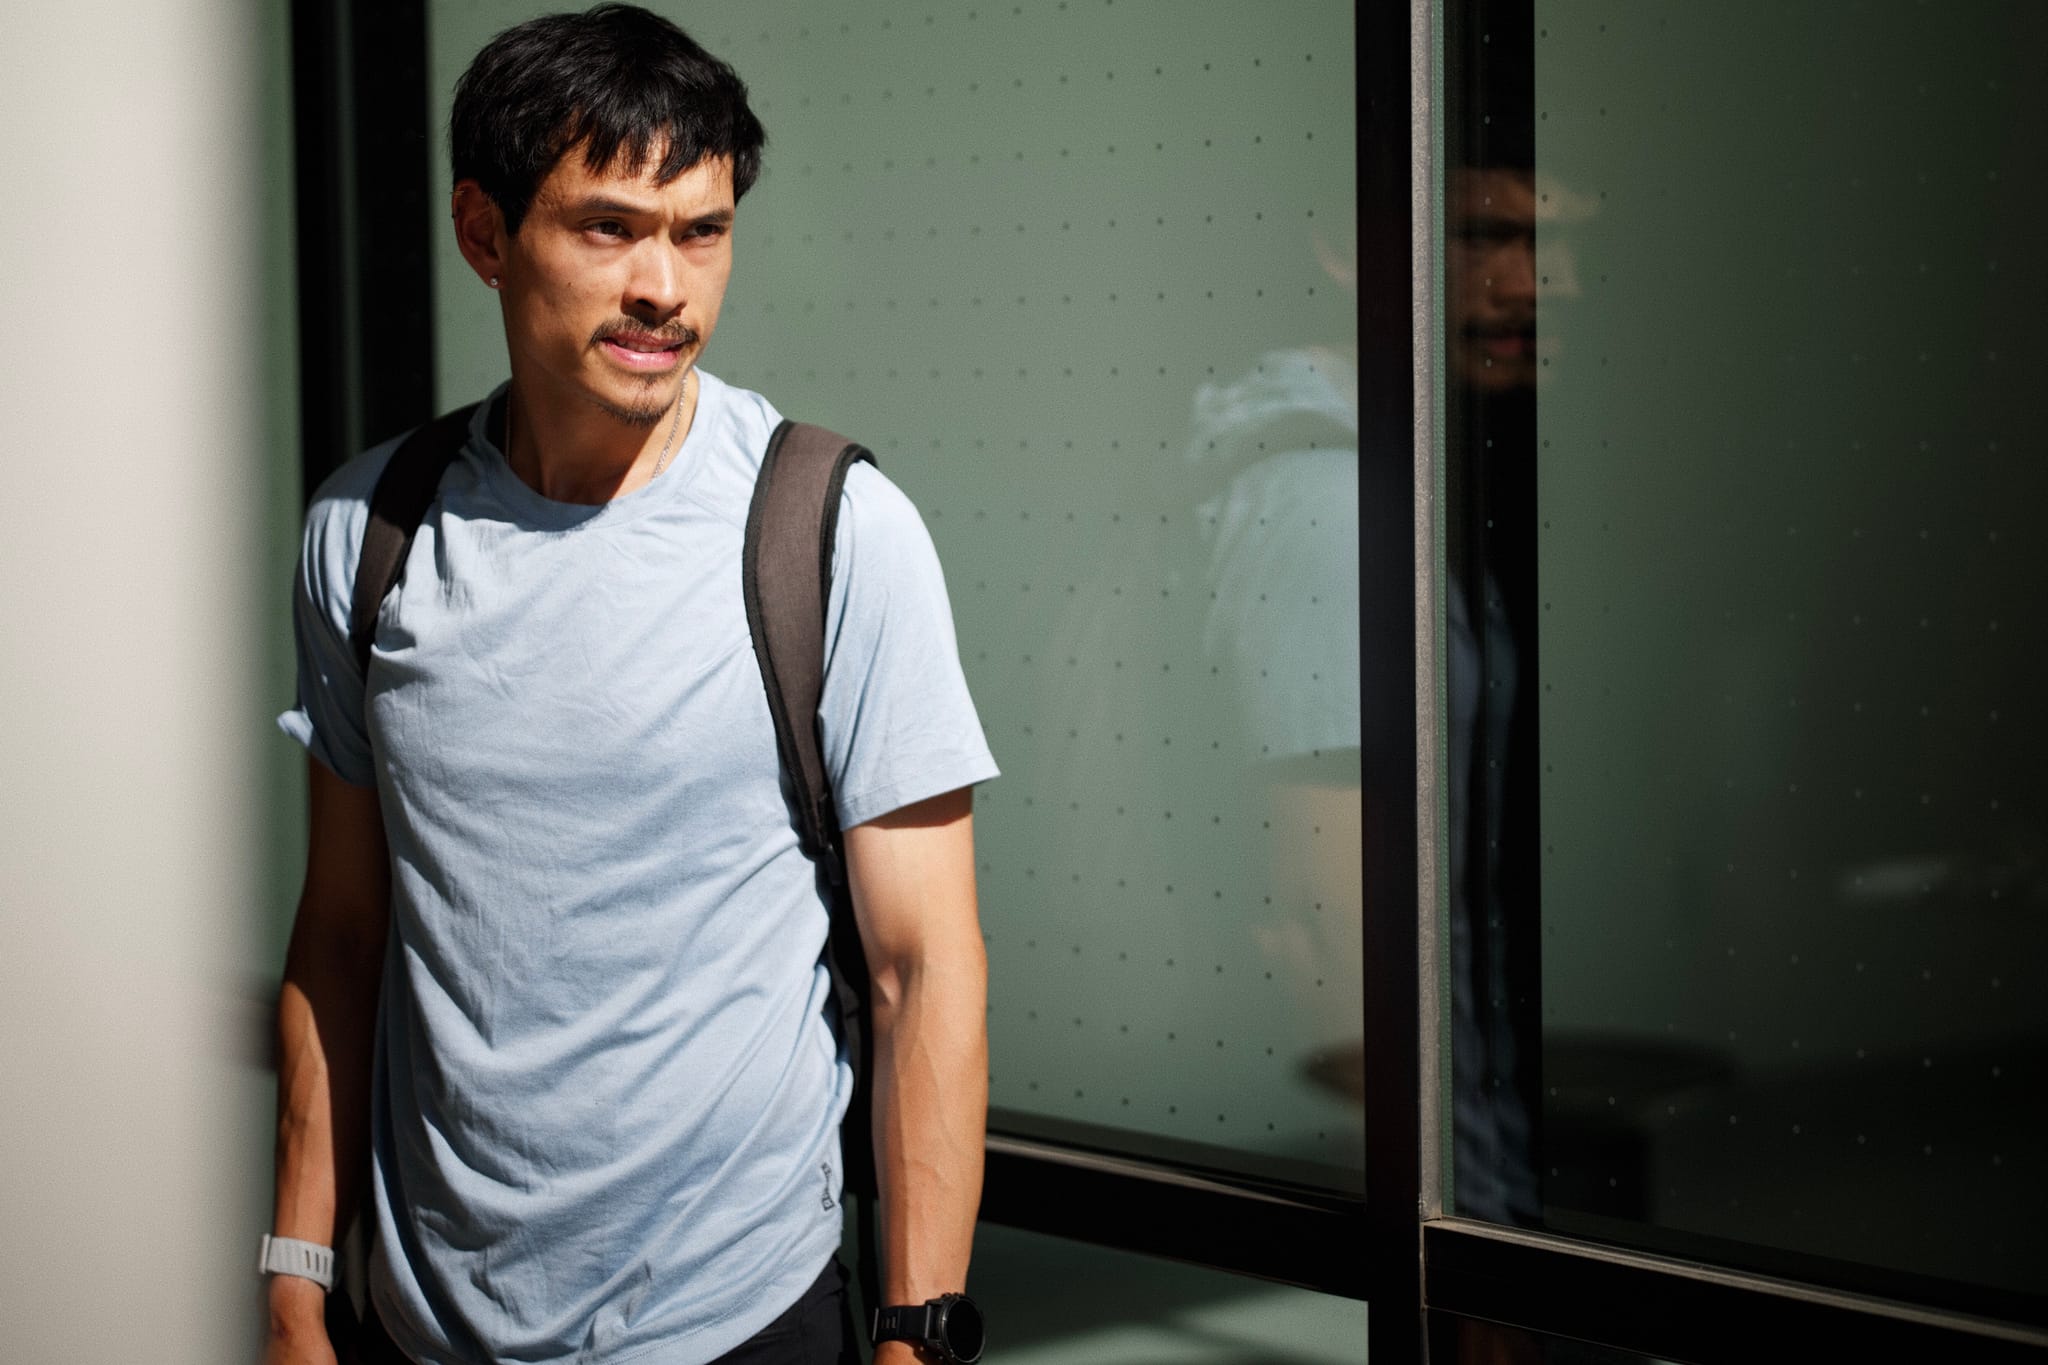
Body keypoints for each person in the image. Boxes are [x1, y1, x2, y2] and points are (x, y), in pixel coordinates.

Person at [262, 8, 998, 1363]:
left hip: (740, 1318)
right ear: (483, 233)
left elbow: (922, 965)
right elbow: (345, 932)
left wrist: (916, 1335)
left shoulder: (829, 532)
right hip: (418, 1325)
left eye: (702, 230)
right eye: (610, 228)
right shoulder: (368, 534)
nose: (668, 285)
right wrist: (293, 1284)